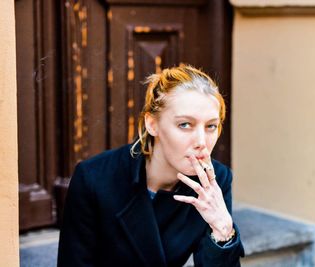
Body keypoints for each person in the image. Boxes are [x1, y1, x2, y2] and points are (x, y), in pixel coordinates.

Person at [57, 65, 245, 267]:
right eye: (185, 124)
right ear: (152, 124)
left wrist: (223, 232)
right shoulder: (94, 178)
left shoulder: (215, 181)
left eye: (211, 126)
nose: (201, 141)